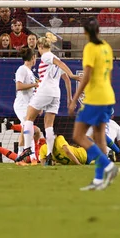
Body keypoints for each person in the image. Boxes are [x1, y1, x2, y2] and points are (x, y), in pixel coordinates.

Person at [69, 18, 120, 190]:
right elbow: (110, 74)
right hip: (108, 96)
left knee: (78, 136)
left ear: (85, 32)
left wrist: (75, 98)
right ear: (99, 30)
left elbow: (87, 76)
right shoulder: (106, 46)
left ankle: (108, 166)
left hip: (95, 98)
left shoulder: (90, 48)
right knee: (99, 137)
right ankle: (99, 180)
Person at [15, 32, 79, 166]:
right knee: (48, 126)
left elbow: (61, 65)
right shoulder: (53, 57)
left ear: (40, 46)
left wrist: (72, 74)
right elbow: (65, 79)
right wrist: (69, 97)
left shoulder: (47, 56)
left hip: (45, 91)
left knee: (28, 119)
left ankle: (27, 149)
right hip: (56, 94)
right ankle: (49, 155)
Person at [14, 47, 39, 158]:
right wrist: (34, 84)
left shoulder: (30, 72)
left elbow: (32, 92)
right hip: (21, 105)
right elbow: (18, 86)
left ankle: (20, 155)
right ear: (33, 57)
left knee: (26, 129)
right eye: (35, 57)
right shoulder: (22, 69)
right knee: (28, 128)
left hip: (28, 105)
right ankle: (32, 156)